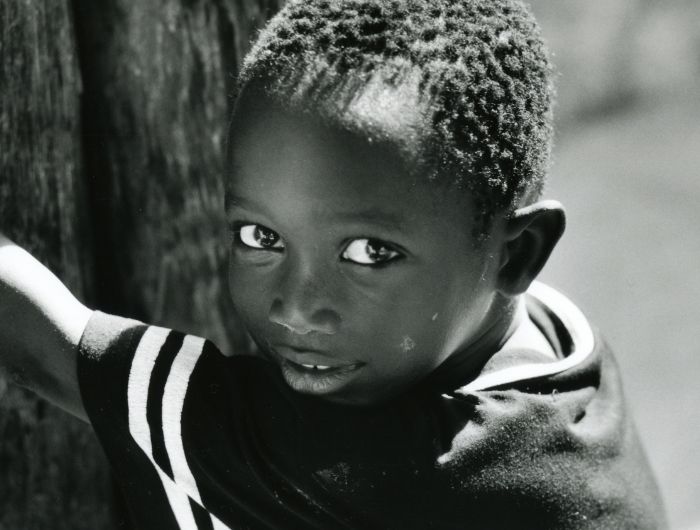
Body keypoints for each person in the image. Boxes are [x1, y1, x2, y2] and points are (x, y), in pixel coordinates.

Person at [0, 0, 666, 528]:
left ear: (516, 252)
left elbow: (41, 346)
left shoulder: (397, 469)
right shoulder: (563, 343)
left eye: (369, 253)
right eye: (259, 236)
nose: (296, 305)